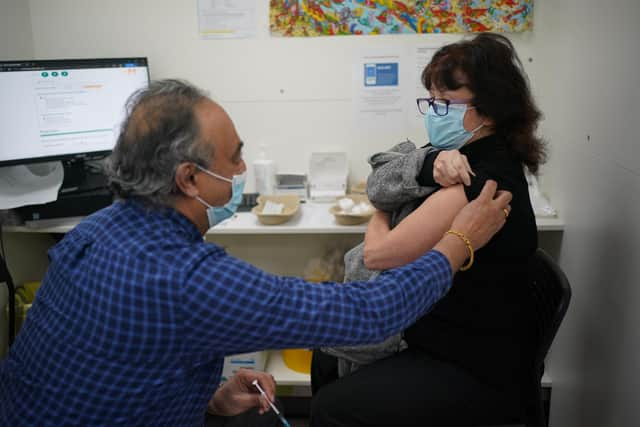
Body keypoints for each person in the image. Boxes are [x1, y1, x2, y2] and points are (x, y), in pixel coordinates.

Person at [0, 79, 510, 427]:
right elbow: (369, 314)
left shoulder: (96, 230)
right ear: (189, 178)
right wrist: (460, 239)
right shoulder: (189, 278)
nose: (242, 169)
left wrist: (208, 395)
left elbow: (111, 364)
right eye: (234, 156)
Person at [310, 33, 546, 427]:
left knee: (331, 404)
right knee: (326, 353)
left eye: (445, 102)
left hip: (472, 362)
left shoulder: (477, 182)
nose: (433, 112)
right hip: (441, 329)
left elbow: (378, 254)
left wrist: (380, 212)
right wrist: (407, 179)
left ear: (487, 109)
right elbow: (385, 171)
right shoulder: (460, 155)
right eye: (431, 100)